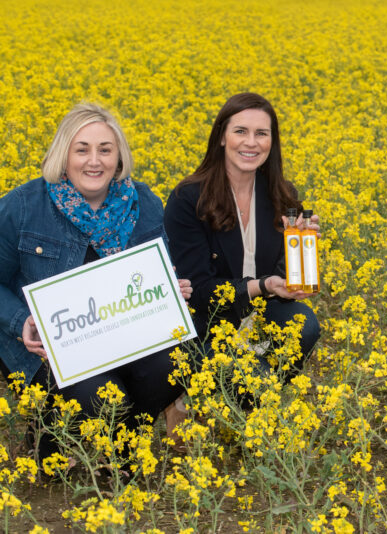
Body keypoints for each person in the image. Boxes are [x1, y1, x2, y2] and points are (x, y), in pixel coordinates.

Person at [0, 103, 190, 462]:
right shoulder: (24, 206)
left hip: (125, 340)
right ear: (63, 155)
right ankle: (51, 434)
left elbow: (160, 272)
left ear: (119, 158)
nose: (94, 161)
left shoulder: (143, 203)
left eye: (105, 150)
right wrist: (20, 320)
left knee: (180, 361)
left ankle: (121, 441)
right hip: (49, 350)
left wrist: (171, 290)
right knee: (101, 394)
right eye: (82, 149)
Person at [164, 92, 320, 380]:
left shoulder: (283, 195)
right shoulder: (188, 199)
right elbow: (197, 292)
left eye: (261, 133)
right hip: (208, 321)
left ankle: (255, 401)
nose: (251, 142)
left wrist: (299, 250)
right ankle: (210, 397)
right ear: (222, 137)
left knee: (303, 324)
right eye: (240, 131)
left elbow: (283, 289)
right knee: (256, 380)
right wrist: (262, 285)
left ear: (272, 142)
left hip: (260, 316)